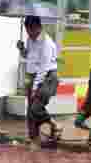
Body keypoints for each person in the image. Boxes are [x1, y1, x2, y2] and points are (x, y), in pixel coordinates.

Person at [17, 15, 61, 144]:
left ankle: (55, 125)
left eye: (31, 31)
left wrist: (35, 87)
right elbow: (28, 56)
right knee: (30, 110)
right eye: (27, 31)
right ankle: (34, 138)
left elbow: (44, 67)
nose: (29, 34)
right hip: (32, 76)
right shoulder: (30, 39)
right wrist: (22, 49)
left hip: (47, 77)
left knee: (35, 108)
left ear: (38, 28)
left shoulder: (46, 43)